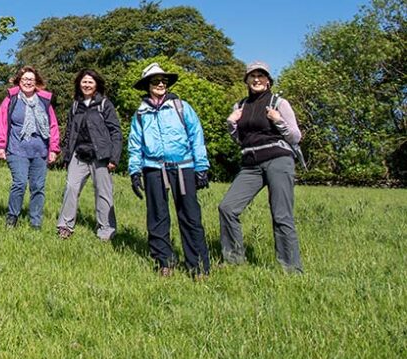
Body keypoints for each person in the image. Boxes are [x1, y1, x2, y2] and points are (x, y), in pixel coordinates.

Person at [127, 62, 211, 277]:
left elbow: (196, 136)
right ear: (147, 85)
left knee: (191, 217)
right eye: (155, 81)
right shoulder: (140, 113)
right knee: (157, 218)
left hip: (184, 167)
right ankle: (164, 262)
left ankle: (198, 266)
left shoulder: (181, 107)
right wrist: (135, 172)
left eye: (163, 80)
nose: (160, 83)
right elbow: (135, 144)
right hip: (153, 168)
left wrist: (201, 167)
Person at [219, 61, 304, 272]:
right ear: (246, 80)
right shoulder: (240, 106)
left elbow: (295, 136)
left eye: (261, 75)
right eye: (252, 76)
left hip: (278, 159)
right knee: (227, 207)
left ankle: (292, 269)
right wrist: (231, 124)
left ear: (268, 81)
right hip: (250, 164)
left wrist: (278, 121)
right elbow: (241, 140)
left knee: (281, 215)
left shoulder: (278, 103)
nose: (256, 79)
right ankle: (234, 261)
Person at [55, 69, 122, 241]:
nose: (86, 85)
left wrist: (114, 157)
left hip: (100, 155)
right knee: (71, 188)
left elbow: (115, 131)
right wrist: (67, 155)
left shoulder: (104, 104)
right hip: (79, 154)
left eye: (90, 82)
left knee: (103, 192)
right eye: (84, 82)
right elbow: (70, 132)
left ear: (96, 84)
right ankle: (65, 226)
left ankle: (106, 230)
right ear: (79, 84)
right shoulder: (75, 105)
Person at [0, 67, 60, 230]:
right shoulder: (11, 99)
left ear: (36, 83)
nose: (28, 82)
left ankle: (35, 223)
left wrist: (53, 149)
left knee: (38, 187)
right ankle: (12, 218)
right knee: (20, 183)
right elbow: (0, 122)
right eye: (25, 79)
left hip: (40, 151)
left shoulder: (44, 101)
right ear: (19, 81)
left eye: (31, 79)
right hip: (17, 149)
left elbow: (53, 126)